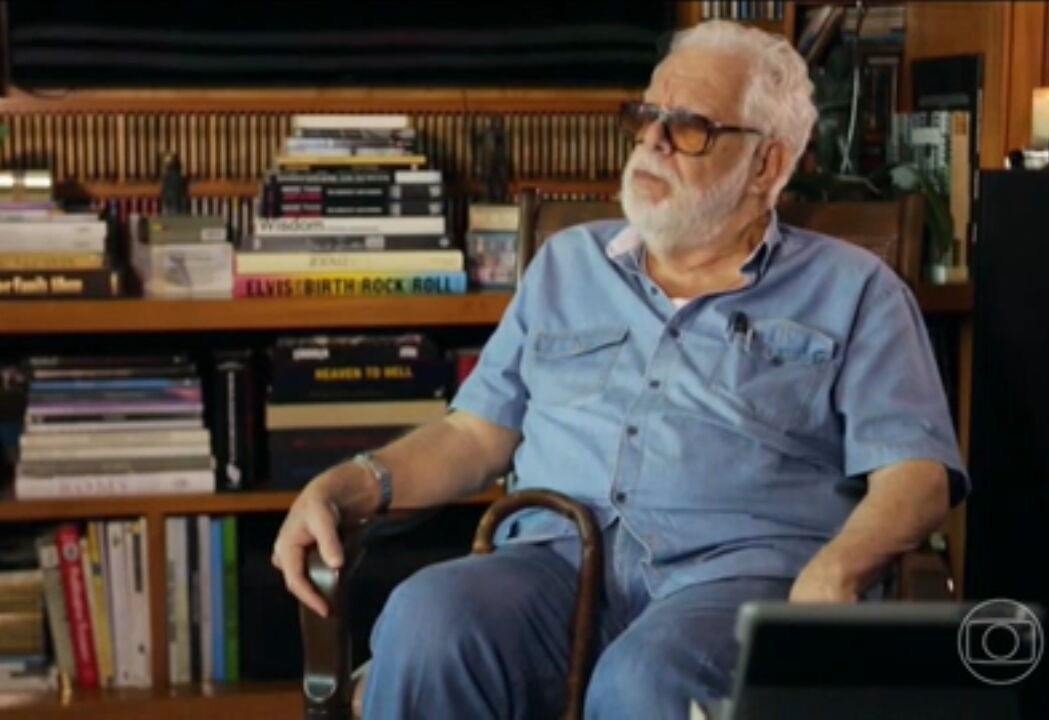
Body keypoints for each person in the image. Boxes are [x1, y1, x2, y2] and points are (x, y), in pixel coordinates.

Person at [273, 20, 967, 720]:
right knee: (428, 618)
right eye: (646, 115)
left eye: (689, 126)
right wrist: (350, 483)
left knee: (644, 681)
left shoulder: (856, 290)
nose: (652, 141)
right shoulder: (567, 265)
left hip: (735, 582)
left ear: (766, 165)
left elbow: (917, 477)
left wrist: (838, 569)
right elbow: (473, 435)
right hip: (552, 566)